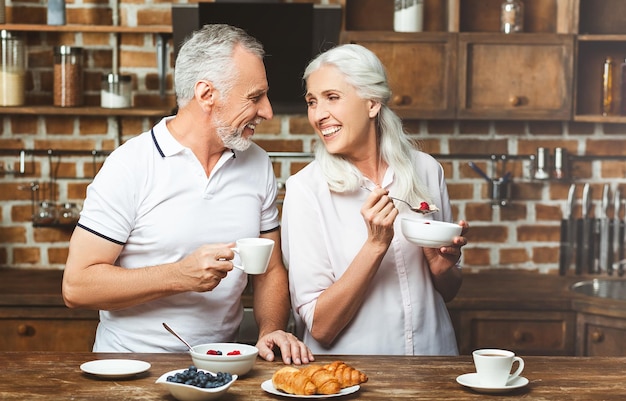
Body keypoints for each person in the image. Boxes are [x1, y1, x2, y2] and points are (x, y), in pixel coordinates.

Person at [62, 24, 313, 365]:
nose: (267, 111)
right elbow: (77, 286)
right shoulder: (131, 165)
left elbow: (268, 269)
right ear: (207, 94)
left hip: (220, 365)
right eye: (255, 97)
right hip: (131, 368)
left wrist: (270, 328)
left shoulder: (257, 162)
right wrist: (179, 275)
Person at [281, 43, 469, 355]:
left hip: (432, 366)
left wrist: (442, 268)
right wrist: (375, 246)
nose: (318, 115)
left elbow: (449, 292)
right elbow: (321, 327)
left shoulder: (426, 170)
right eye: (312, 102)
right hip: (351, 377)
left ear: (372, 103)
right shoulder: (305, 190)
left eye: (332, 98)